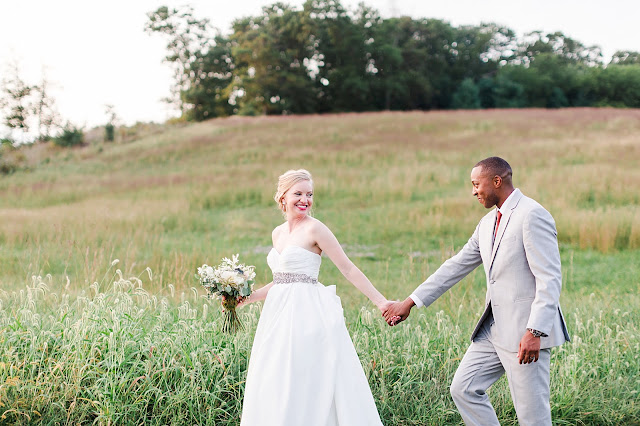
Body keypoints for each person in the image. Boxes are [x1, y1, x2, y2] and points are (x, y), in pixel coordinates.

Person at [383, 157, 570, 426]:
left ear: (497, 181)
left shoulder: (532, 215)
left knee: (533, 417)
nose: (473, 191)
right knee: (464, 389)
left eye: (476, 184)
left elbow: (549, 278)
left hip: (524, 333)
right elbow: (455, 266)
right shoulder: (486, 223)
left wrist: (535, 332)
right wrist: (410, 302)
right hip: (492, 331)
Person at [239, 169, 390, 426]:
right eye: (298, 193)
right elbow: (281, 280)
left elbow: (348, 268)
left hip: (307, 313)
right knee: (276, 377)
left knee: (306, 376)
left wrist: (381, 302)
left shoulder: (315, 229)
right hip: (277, 317)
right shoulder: (277, 233)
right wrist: (246, 298)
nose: (305, 200)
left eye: (309, 194)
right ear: (282, 197)